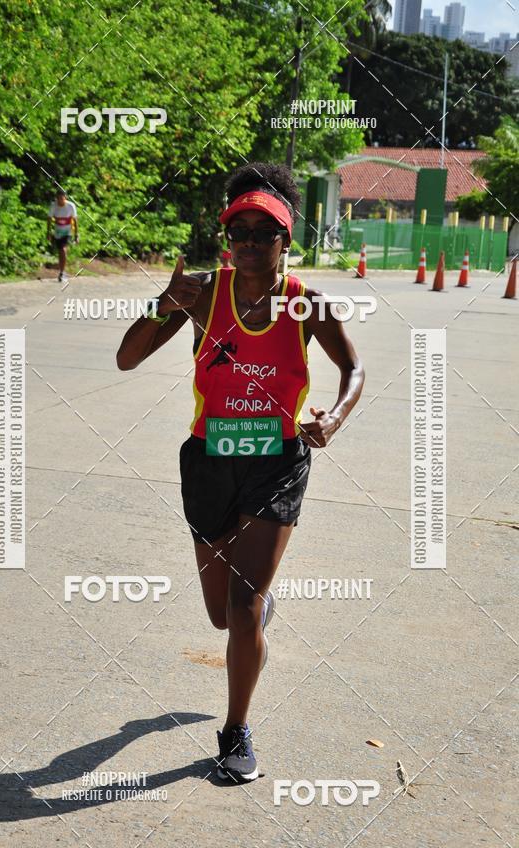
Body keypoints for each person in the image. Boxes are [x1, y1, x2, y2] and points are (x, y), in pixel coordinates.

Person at [117, 162, 365, 783]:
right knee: (221, 615)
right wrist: (160, 306)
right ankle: (252, 611)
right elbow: (126, 359)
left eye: (265, 231)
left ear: (287, 238)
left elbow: (353, 370)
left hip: (277, 464)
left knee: (244, 603)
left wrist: (333, 417)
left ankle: (234, 731)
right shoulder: (201, 293)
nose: (251, 241)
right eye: (240, 230)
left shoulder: (308, 303)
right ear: (227, 237)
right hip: (209, 464)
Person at [47, 189, 78, 282]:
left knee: (63, 250)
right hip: (58, 232)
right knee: (60, 252)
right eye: (58, 198)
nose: (60, 201)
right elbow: (49, 219)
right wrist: (48, 233)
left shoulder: (71, 206)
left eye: (62, 198)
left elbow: (75, 220)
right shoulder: (53, 206)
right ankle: (62, 271)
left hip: (68, 231)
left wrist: (76, 234)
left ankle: (62, 272)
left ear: (65, 198)